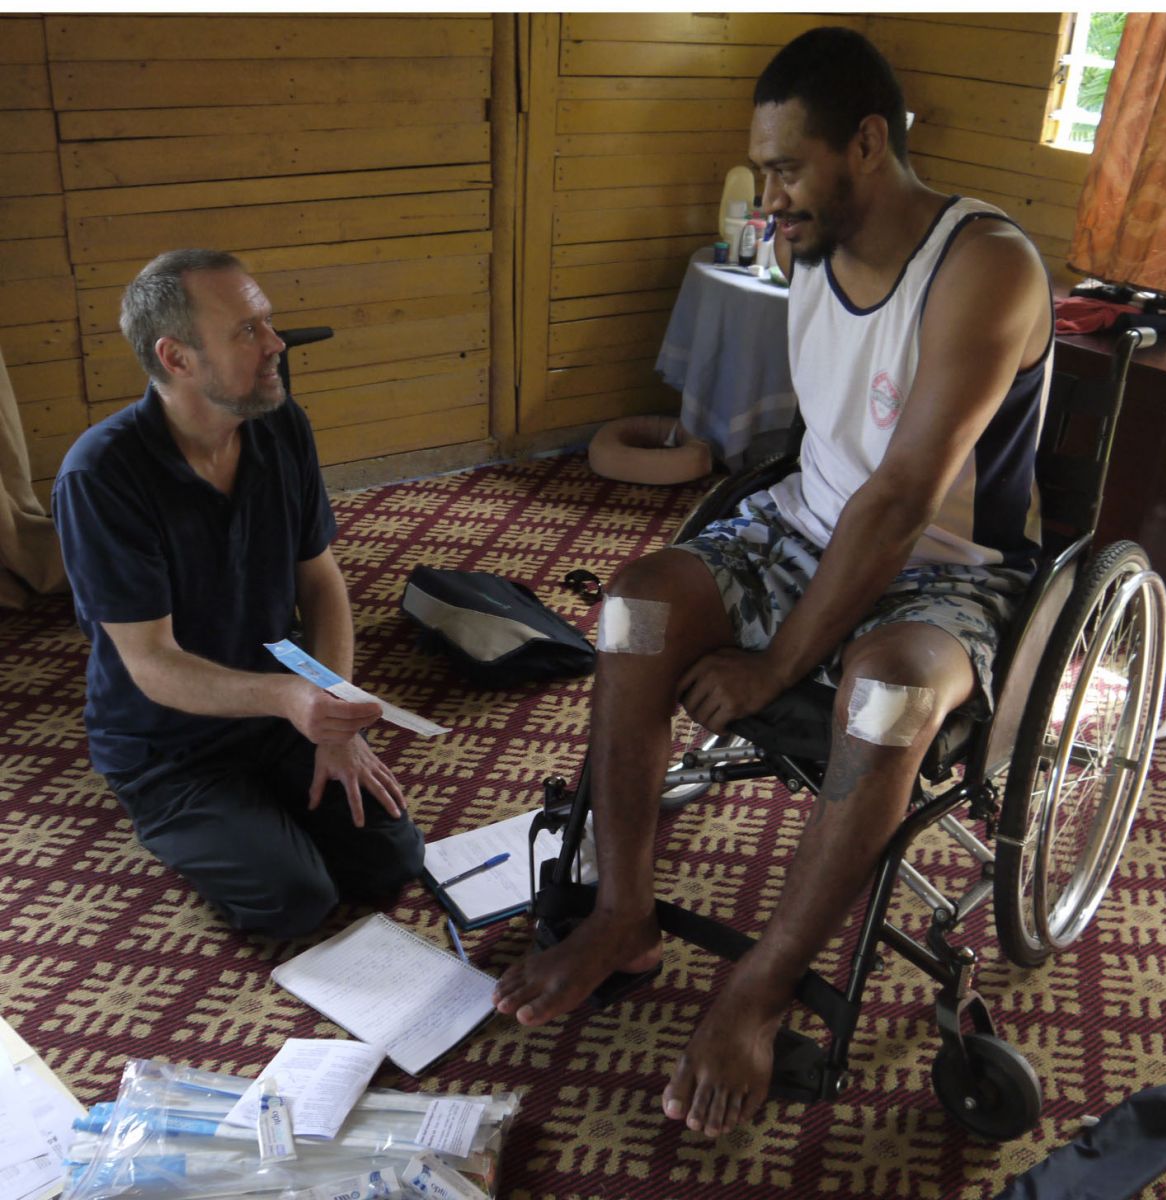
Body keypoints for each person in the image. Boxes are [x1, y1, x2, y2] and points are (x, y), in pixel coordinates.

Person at [494, 27, 1053, 1138]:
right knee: (634, 605)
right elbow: (821, 448)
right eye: (762, 171)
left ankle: (756, 993)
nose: (769, 195)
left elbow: (899, 503)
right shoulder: (801, 245)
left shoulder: (985, 263)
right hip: (806, 522)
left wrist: (773, 666)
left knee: (886, 689)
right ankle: (622, 912)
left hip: (952, 569)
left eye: (788, 168)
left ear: (868, 145)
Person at [52, 249, 424, 939]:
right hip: (167, 746)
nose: (276, 344)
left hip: (278, 712)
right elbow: (153, 662)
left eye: (269, 323)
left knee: (392, 861)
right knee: (294, 900)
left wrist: (333, 712)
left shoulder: (281, 425)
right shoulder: (100, 477)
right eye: (247, 330)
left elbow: (321, 579)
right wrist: (292, 698)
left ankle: (263, 809)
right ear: (178, 358)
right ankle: (181, 820)